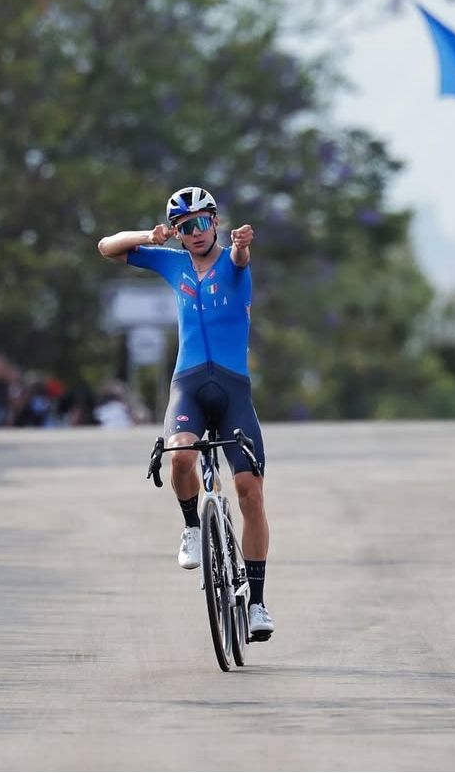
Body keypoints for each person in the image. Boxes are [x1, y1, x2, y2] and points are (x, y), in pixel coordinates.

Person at [97, 186, 273, 641]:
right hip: (189, 385)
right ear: (176, 232)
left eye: (202, 222)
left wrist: (241, 244)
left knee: (249, 492)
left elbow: (238, 259)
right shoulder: (171, 261)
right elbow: (106, 247)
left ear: (215, 221)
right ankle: (193, 526)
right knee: (179, 457)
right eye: (184, 226)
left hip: (232, 389)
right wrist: (149, 234)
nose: (195, 232)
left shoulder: (234, 261)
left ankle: (256, 603)